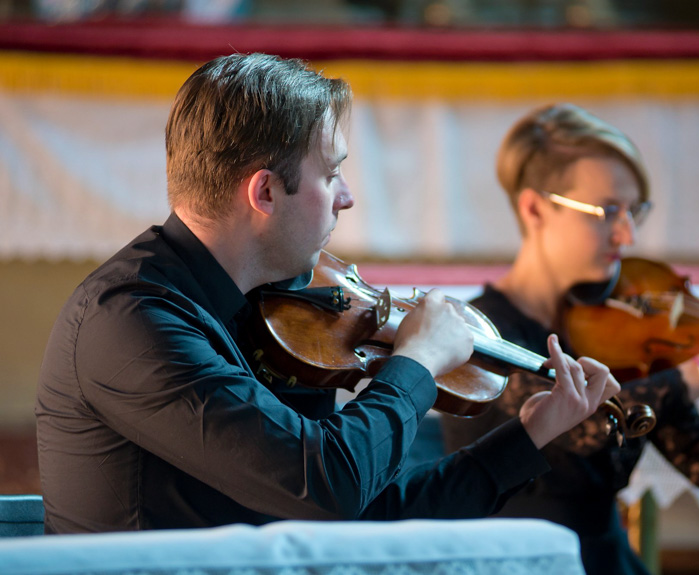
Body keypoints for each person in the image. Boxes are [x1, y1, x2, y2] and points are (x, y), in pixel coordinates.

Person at [35, 55, 619, 534]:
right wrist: (415, 363)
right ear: (264, 192)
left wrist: (532, 433)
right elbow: (326, 487)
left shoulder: (276, 309)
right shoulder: (132, 321)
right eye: (332, 173)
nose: (347, 197)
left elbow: (369, 515)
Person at [441, 103, 699, 575]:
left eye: (635, 211)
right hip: (518, 562)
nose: (629, 234)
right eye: (608, 211)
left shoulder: (621, 325)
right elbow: (579, 427)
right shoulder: (481, 330)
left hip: (606, 555)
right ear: (535, 208)